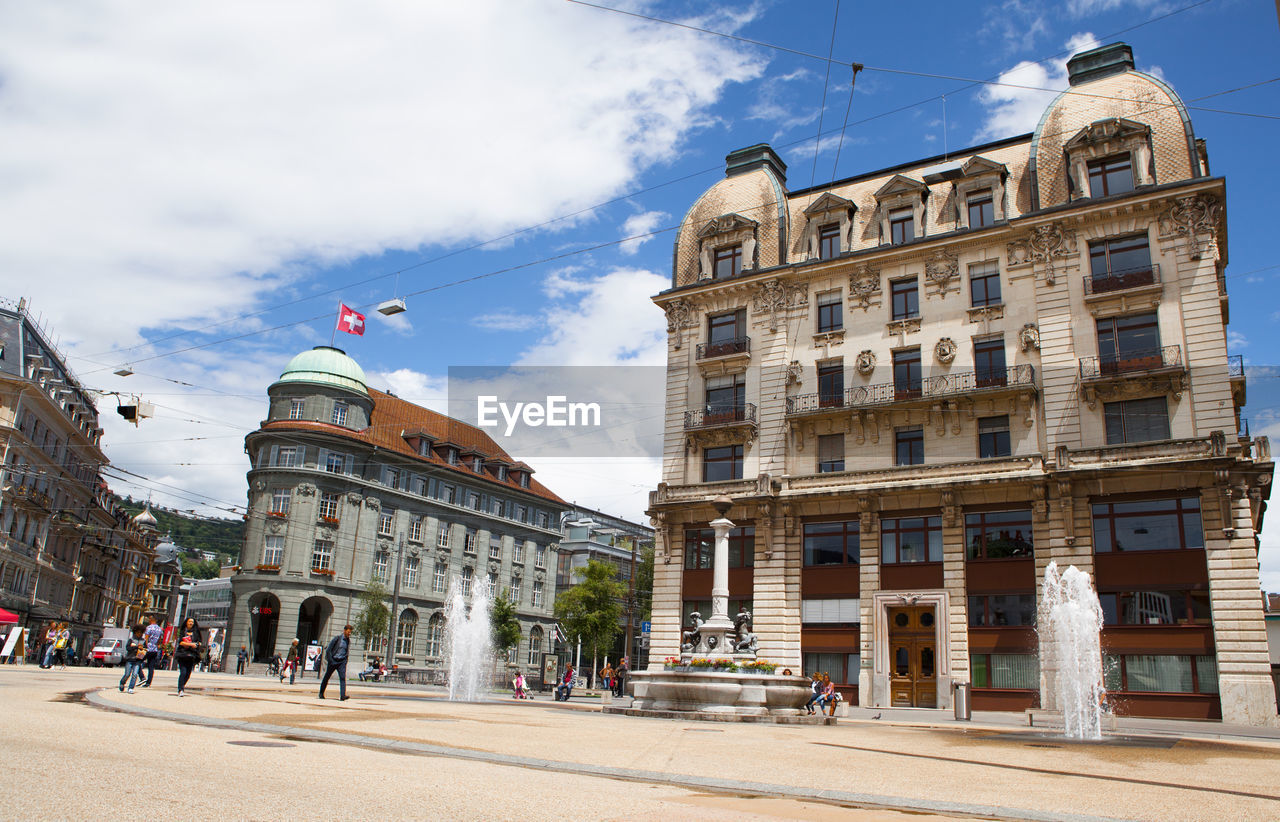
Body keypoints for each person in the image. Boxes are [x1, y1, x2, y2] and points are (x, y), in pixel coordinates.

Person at [318, 625, 352, 701]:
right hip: (333, 661)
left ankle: (342, 696)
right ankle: (321, 693)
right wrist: (331, 660)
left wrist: (345, 660)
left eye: (350, 633)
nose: (349, 634)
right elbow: (328, 650)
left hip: (341, 662)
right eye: (348, 632)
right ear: (344, 630)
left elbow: (346, 651)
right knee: (327, 677)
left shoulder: (348, 641)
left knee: (343, 678)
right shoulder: (337, 639)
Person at [173, 617, 204, 697]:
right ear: (186, 622)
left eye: (192, 622)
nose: (191, 623)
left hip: (192, 654)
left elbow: (199, 642)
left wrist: (197, 645)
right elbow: (181, 642)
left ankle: (181, 685)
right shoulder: (182, 631)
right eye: (189, 621)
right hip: (182, 654)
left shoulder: (196, 632)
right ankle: (180, 689)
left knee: (188, 674)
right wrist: (190, 644)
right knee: (183, 672)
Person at [119, 624, 147, 693]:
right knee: (127, 674)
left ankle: (131, 687)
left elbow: (145, 650)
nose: (139, 634)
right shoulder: (131, 640)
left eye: (140, 632)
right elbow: (128, 648)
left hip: (138, 660)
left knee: (134, 674)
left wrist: (142, 651)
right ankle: (122, 682)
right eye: (138, 632)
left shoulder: (143, 641)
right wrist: (136, 647)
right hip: (130, 659)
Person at [141, 617, 163, 687]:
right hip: (154, 649)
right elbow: (160, 639)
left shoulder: (149, 627)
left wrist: (146, 646)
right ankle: (148, 682)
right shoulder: (159, 629)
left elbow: (146, 638)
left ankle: (142, 677)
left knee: (137, 661)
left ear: (151, 620)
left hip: (147, 649)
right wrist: (157, 645)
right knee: (151, 666)